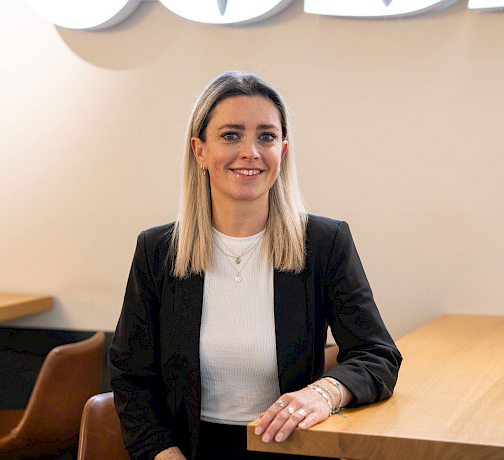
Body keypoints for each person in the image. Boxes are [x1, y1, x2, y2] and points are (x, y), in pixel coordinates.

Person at [108, 71, 402, 460]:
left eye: (266, 136)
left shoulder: (324, 243)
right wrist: (165, 455)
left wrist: (323, 393)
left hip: (294, 449)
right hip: (188, 452)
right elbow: (131, 380)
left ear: (283, 150)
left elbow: (377, 355)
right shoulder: (157, 251)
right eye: (231, 135)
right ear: (200, 151)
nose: (251, 151)